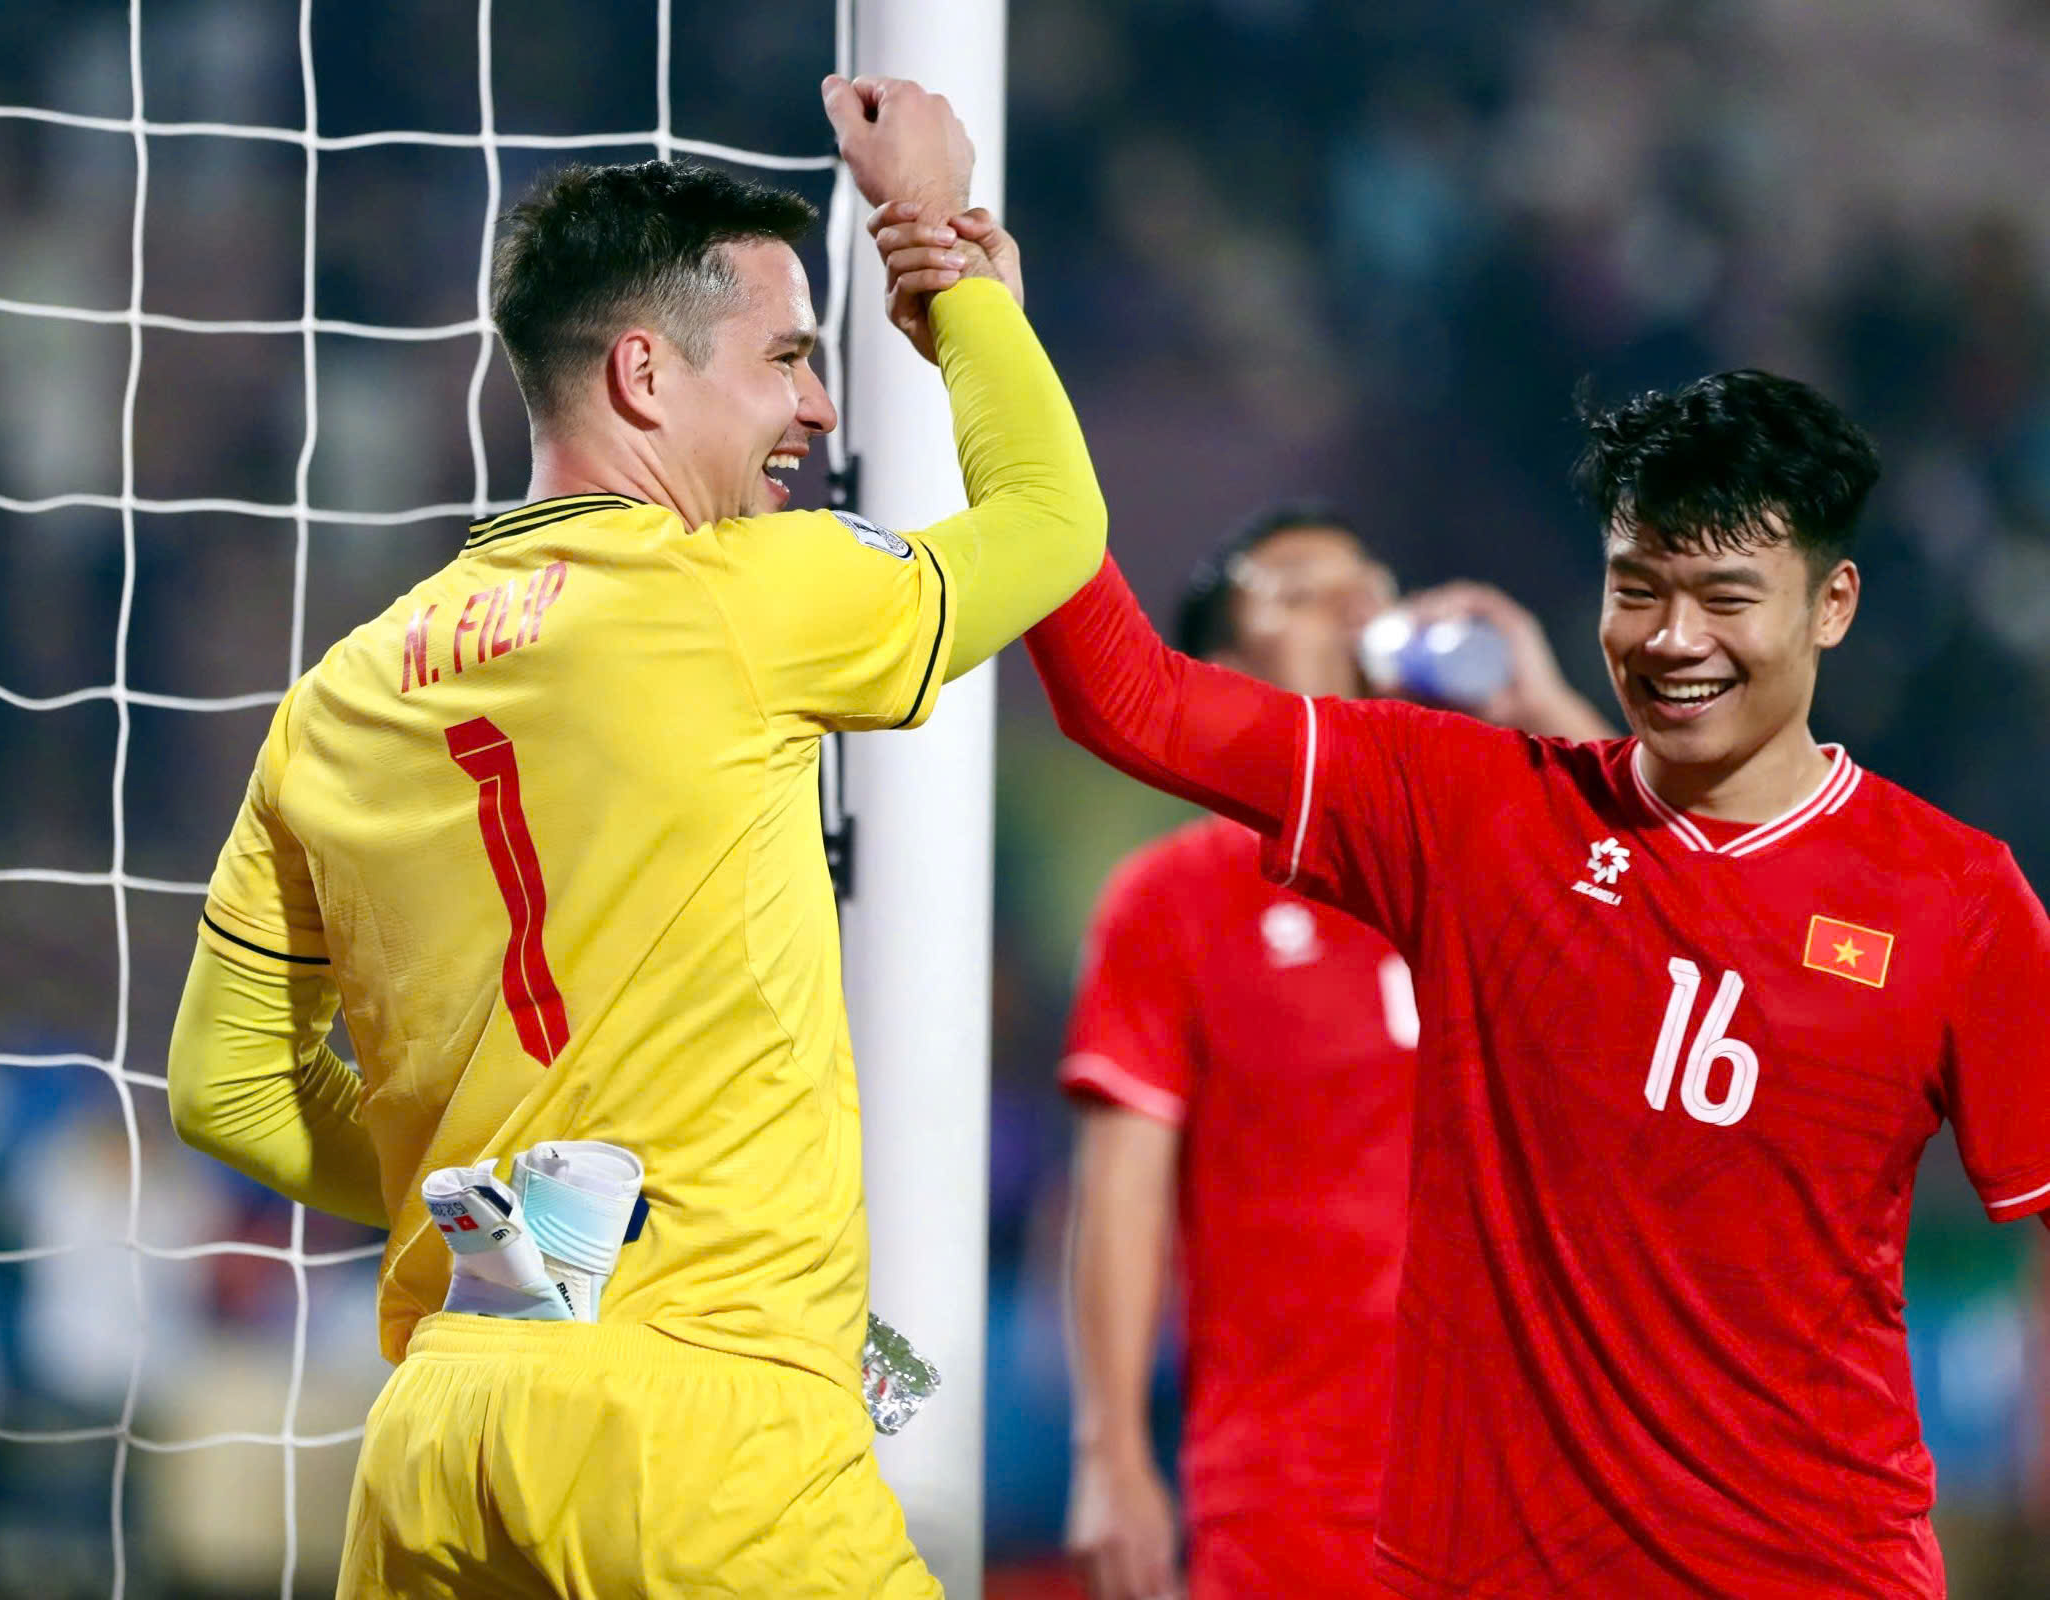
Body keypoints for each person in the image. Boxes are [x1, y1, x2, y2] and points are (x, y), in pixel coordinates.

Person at [881, 208, 2050, 1596]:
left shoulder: (1955, 900)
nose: (1672, 640)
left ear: (1833, 604)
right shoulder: (1476, 809)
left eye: (1725, 596)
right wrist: (979, 330)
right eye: (1638, 591)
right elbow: (1126, 695)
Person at [166, 77, 1098, 1599]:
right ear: (646, 374)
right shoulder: (734, 601)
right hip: (704, 1422)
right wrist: (933, 249)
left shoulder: (329, 700)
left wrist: (468, 1198)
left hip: (439, 1437)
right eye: (791, 356)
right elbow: (1053, 525)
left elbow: (225, 1095)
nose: (821, 405)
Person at [1055, 506, 1611, 1600]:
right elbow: (1121, 1188)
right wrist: (1109, 1452)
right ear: (1219, 668)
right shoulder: (1172, 900)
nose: (1356, 604)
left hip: (1532, 1483)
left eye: (1371, 583)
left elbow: (1668, 888)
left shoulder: (1482, 838)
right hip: (1295, 1500)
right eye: (1306, 589)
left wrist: (1540, 703)